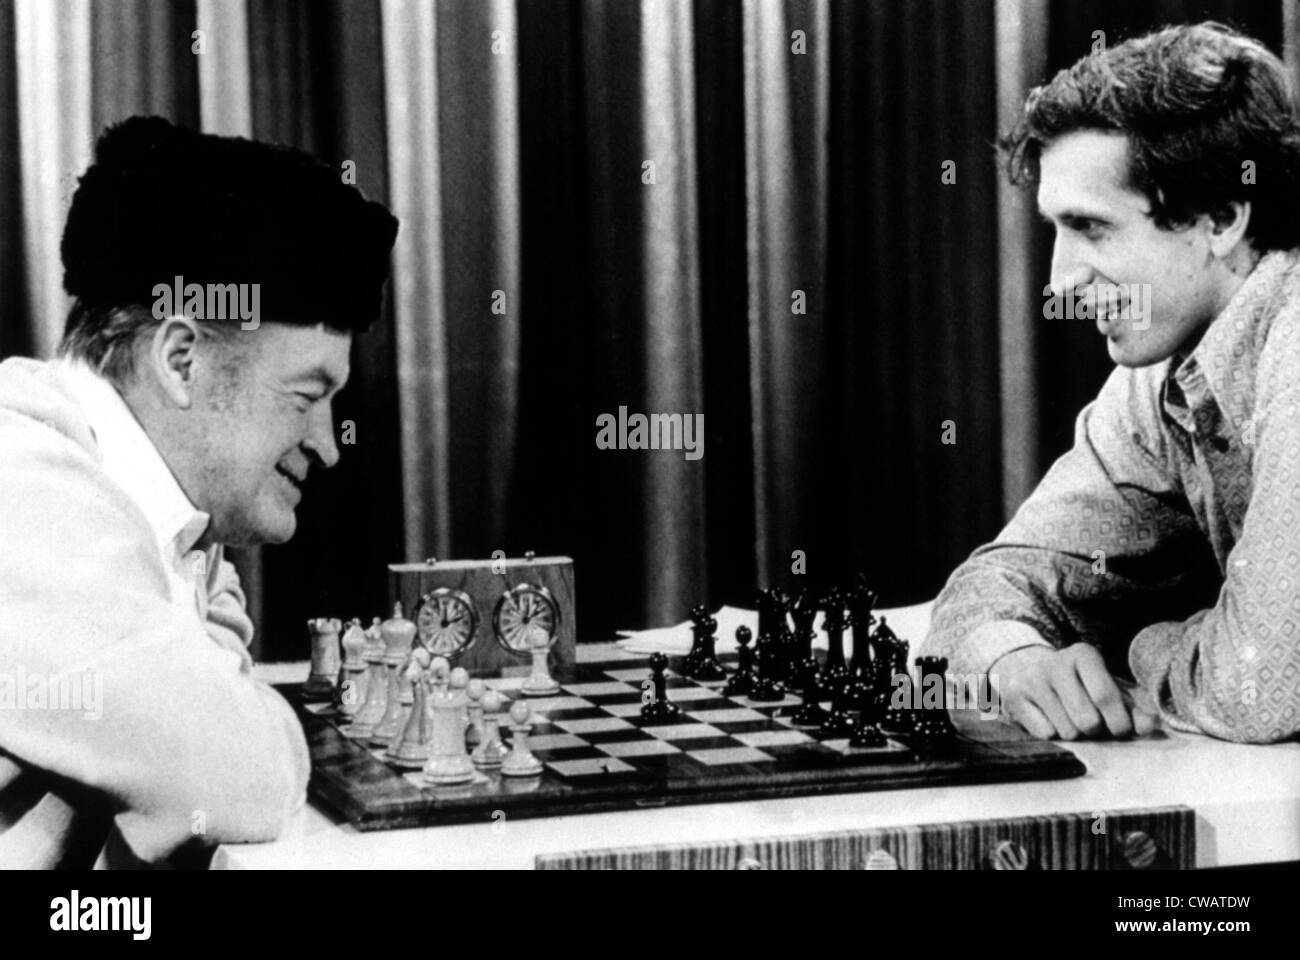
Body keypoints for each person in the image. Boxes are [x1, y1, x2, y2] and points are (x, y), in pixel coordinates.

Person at [0, 116, 398, 866]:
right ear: (181, 359)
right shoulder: (18, 487)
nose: (325, 443)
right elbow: (233, 777)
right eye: (305, 395)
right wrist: (233, 729)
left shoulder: (171, 517)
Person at [921, 23, 1300, 745]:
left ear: (1221, 217)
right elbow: (998, 582)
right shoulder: (1165, 369)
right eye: (1056, 230)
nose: (1059, 281)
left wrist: (1136, 644)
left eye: (1091, 228)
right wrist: (1013, 656)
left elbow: (1261, 687)